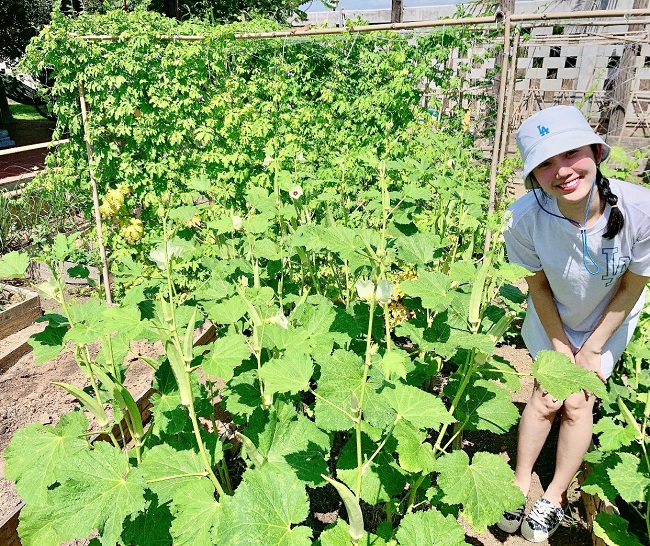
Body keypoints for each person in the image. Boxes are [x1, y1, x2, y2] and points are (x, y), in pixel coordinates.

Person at [499, 104, 650, 542]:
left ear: (595, 151)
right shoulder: (524, 218)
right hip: (553, 317)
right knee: (546, 396)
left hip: (609, 320)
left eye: (569, 154)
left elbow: (631, 289)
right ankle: (517, 483)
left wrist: (591, 348)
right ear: (533, 176)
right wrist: (562, 345)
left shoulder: (640, 210)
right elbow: (539, 289)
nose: (562, 170)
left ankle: (554, 496)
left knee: (579, 402)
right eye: (545, 164)